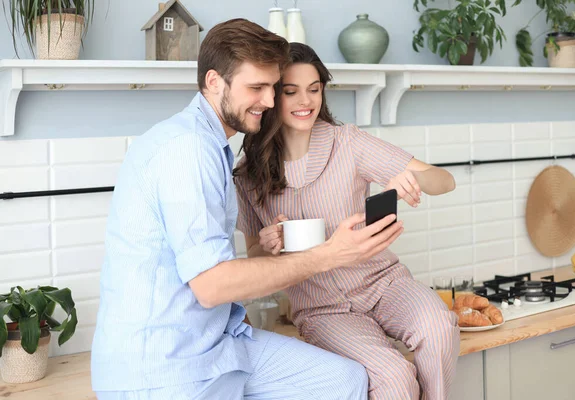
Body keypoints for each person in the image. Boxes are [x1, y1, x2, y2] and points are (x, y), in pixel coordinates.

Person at [90, 19, 404, 400]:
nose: (270, 102)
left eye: (272, 87)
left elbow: (216, 269)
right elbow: (212, 286)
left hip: (219, 342)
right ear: (213, 82)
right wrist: (329, 255)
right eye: (256, 87)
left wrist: (267, 250)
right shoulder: (186, 150)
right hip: (165, 369)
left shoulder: (213, 146)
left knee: (344, 380)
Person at [234, 42, 460, 400]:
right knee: (394, 378)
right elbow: (253, 264)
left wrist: (414, 180)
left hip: (385, 284)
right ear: (272, 97)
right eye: (291, 92)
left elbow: (444, 180)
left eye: (314, 90)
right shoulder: (248, 177)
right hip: (322, 310)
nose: (305, 102)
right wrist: (268, 247)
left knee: (439, 325)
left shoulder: (348, 142)